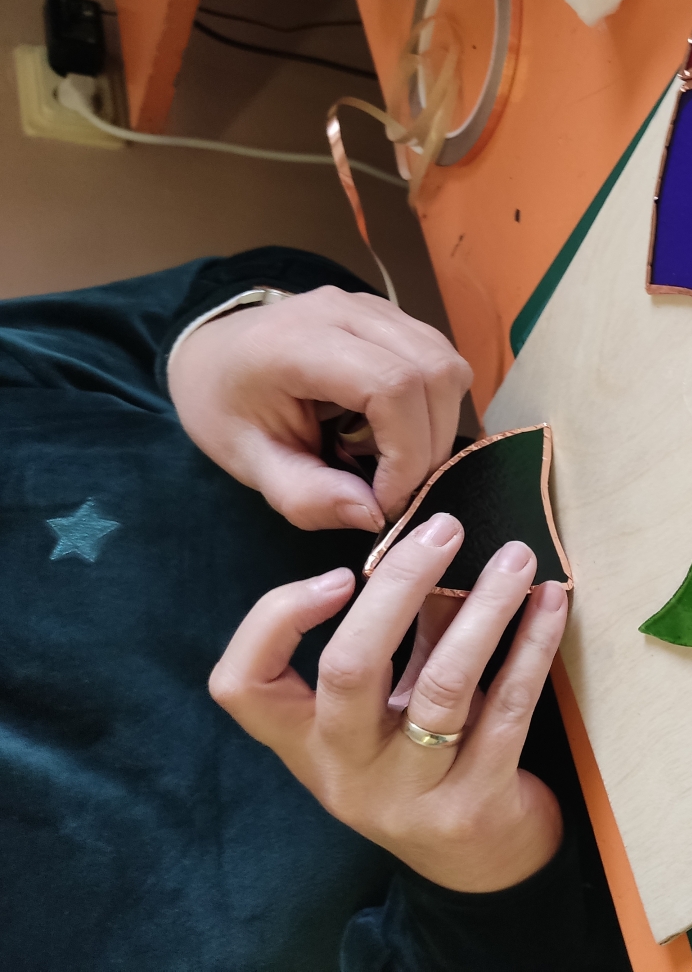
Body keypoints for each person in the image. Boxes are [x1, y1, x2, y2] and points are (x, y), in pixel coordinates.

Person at [0, 246, 629, 970]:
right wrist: (485, 876)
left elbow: (171, 319)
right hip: (650, 866)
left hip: (611, 480)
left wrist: (225, 337)